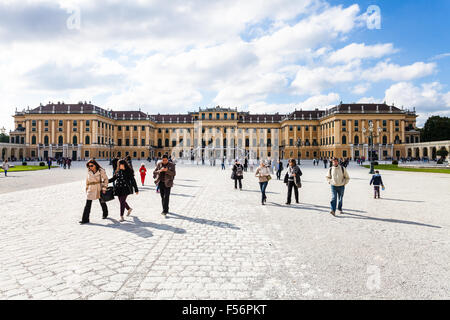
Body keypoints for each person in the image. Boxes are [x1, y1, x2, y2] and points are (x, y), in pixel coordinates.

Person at [80, 159, 109, 224]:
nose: (90, 167)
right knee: (88, 204)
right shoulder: (89, 171)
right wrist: (87, 189)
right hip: (91, 189)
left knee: (102, 202)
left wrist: (104, 188)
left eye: (91, 165)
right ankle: (85, 219)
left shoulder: (101, 171)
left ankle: (105, 213)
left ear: (95, 165)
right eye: (88, 166)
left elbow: (106, 179)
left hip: (99, 188)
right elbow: (87, 181)